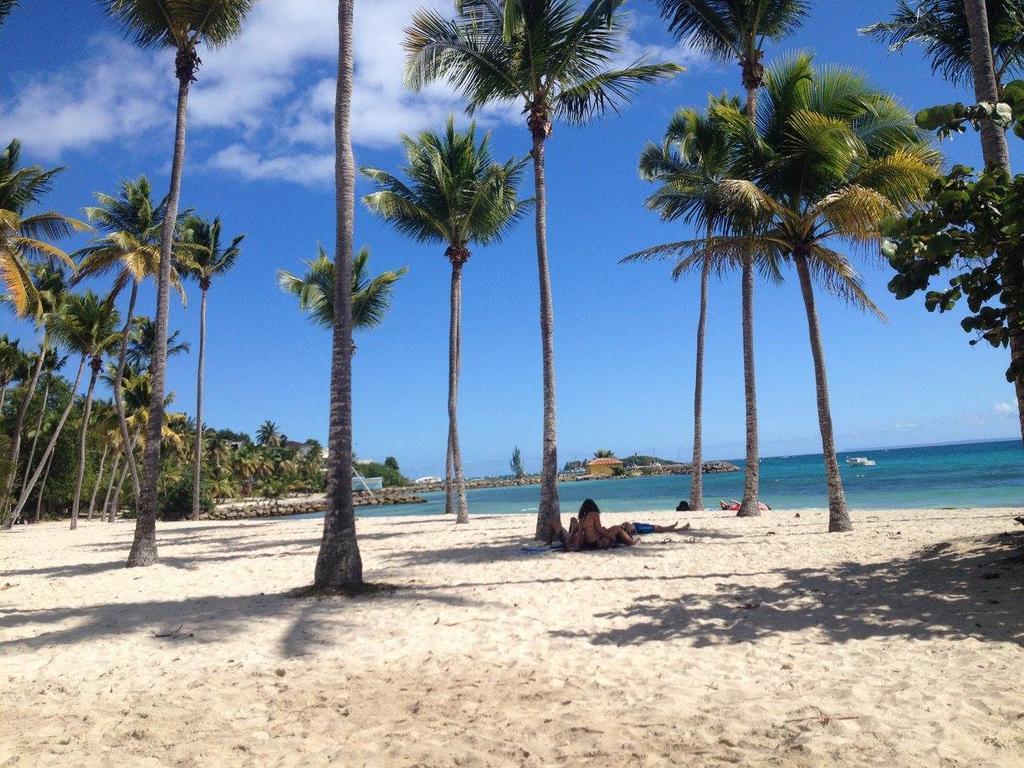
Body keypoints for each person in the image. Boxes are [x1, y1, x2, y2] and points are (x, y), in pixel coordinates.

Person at [547, 499, 637, 551]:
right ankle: (632, 542)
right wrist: (611, 537)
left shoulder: (582, 517)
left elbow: (581, 534)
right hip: (597, 542)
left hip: (588, 543)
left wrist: (576, 546)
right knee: (617, 529)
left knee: (615, 529)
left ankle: (626, 535)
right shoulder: (594, 514)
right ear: (593, 506)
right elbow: (600, 530)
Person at [621, 520, 691, 536]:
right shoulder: (620, 533)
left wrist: (626, 524)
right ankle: (681, 529)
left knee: (656, 526)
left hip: (635, 525)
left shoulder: (617, 529)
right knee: (658, 529)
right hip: (638, 529)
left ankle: (671, 526)